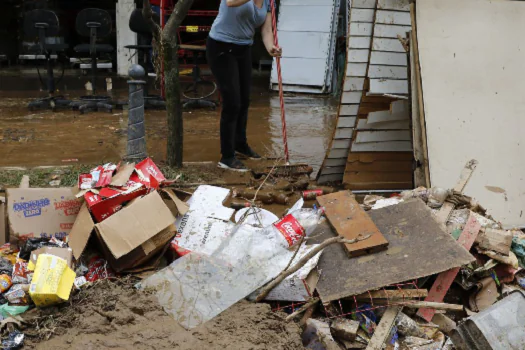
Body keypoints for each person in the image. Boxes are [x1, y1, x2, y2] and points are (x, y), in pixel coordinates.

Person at [207, 0, 282, 172]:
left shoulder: (269, 2)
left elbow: (266, 29)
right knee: (232, 102)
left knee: (244, 101)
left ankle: (240, 144)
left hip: (243, 49)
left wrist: (271, 47)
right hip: (221, 46)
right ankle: (226, 157)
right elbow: (231, 2)